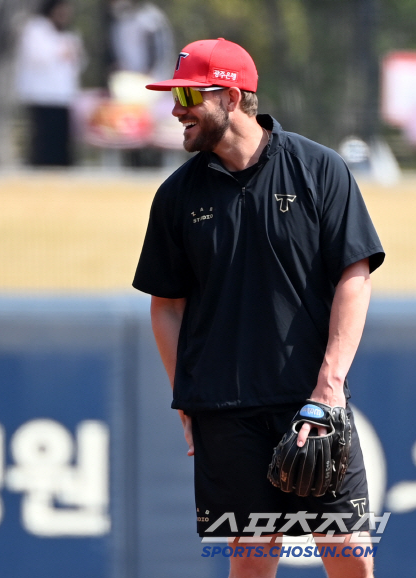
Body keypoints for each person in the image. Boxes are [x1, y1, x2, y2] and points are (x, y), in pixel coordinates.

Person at [133, 38, 384, 578]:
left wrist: (330, 387)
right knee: (250, 563)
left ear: (228, 95)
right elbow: (166, 307)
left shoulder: (318, 169)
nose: (176, 109)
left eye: (187, 94)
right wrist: (188, 401)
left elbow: (354, 277)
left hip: (311, 407)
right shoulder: (177, 196)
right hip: (226, 412)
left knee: (351, 562)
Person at [14, 0, 85, 166]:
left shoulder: (69, 34)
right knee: (43, 138)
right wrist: (61, 51)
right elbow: (36, 55)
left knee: (62, 138)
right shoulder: (36, 29)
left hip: (63, 95)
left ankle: (62, 167)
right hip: (41, 94)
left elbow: (78, 63)